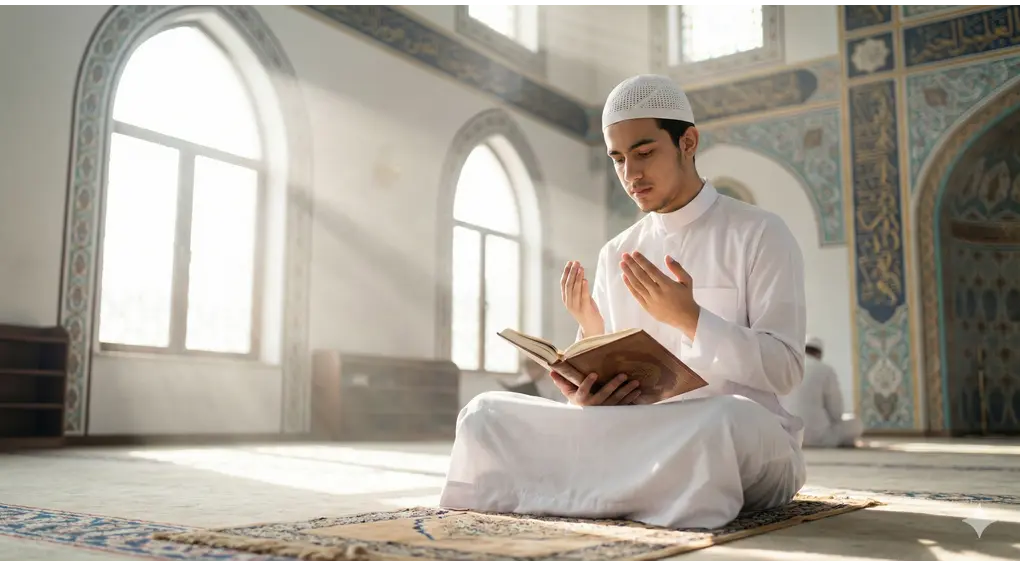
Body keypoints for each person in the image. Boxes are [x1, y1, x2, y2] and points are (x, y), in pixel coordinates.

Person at [438, 74, 807, 529]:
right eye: (618, 159)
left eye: (644, 153)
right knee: (485, 415)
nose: (631, 174)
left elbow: (786, 369)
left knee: (722, 422)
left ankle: (584, 491)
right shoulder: (616, 252)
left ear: (688, 142)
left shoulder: (760, 232)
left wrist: (691, 319)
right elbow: (605, 399)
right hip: (637, 436)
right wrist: (585, 389)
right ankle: (627, 493)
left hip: (737, 433)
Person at [781, 336, 864, 448]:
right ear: (819, 354)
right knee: (855, 423)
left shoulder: (785, 367)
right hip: (818, 437)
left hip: (788, 436)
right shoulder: (825, 370)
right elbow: (836, 412)